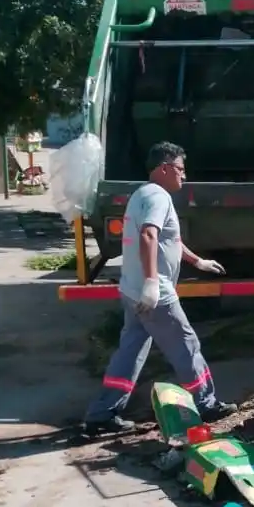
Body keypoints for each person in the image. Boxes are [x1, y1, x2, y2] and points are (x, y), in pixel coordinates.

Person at [83, 142, 238, 435]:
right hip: (155, 296)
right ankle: (206, 403)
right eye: (180, 169)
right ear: (164, 168)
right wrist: (153, 282)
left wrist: (198, 261)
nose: (184, 175)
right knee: (186, 345)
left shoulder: (141, 194)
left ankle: (102, 414)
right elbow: (149, 235)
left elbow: (169, 240)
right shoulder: (159, 197)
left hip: (132, 292)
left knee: (130, 352)